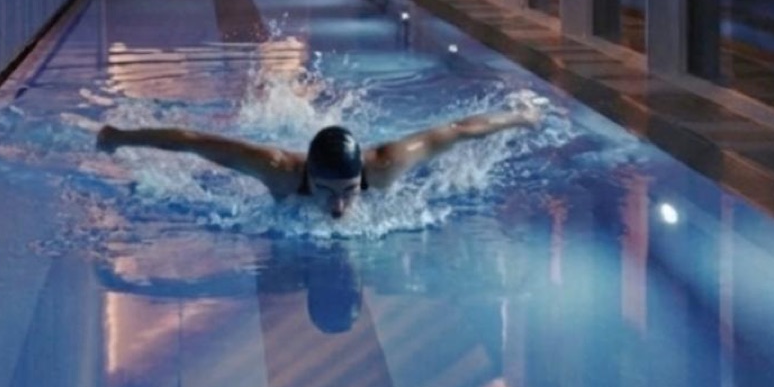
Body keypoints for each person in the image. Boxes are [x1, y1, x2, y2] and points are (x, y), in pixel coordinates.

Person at [96, 107, 542, 218]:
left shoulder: (385, 166)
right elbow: (193, 141)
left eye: (349, 192)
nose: (339, 209)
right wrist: (119, 138)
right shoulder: (278, 170)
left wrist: (521, 116)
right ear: (308, 175)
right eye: (329, 193)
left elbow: (461, 130)